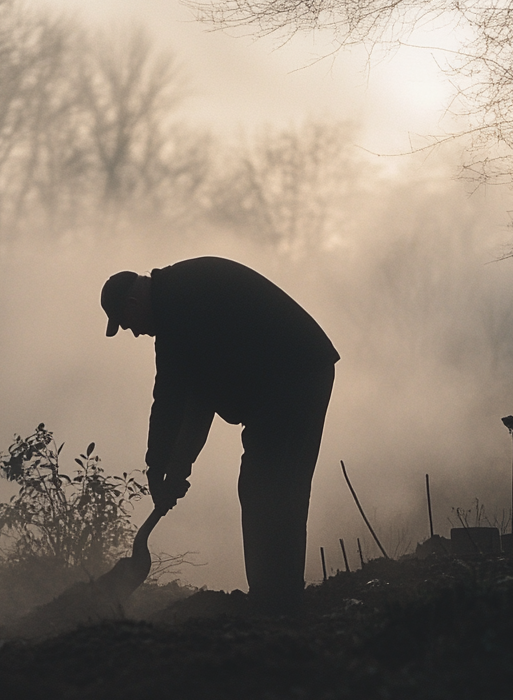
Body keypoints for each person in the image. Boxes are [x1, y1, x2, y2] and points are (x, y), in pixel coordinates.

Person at [101, 257, 339, 616]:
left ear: (132, 305)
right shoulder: (177, 302)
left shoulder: (181, 305)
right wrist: (166, 467)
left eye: (126, 325)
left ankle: (275, 601)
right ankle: (278, 598)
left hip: (294, 378)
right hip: (289, 380)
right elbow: (184, 397)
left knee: (269, 486)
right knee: (273, 487)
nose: (134, 332)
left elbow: (184, 398)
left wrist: (167, 467)